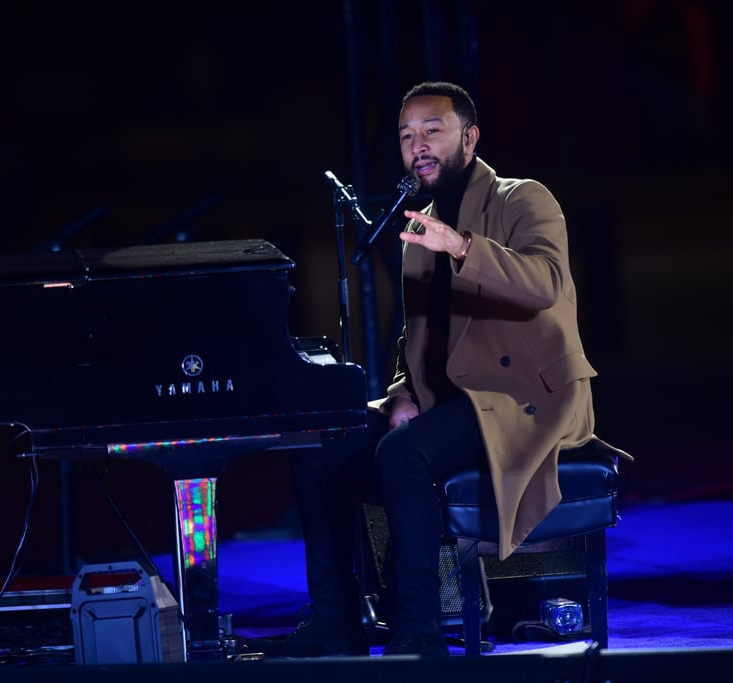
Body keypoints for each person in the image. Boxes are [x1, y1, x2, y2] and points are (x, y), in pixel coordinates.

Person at [247, 81, 609, 659]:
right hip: (450, 399)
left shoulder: (523, 199)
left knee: (401, 454)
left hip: (523, 396)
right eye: (407, 135)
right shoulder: (421, 223)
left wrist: (463, 247)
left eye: (432, 130)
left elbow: (547, 285)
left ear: (470, 137)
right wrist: (401, 394)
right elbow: (417, 335)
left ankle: (418, 632)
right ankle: (336, 622)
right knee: (319, 451)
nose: (418, 145)